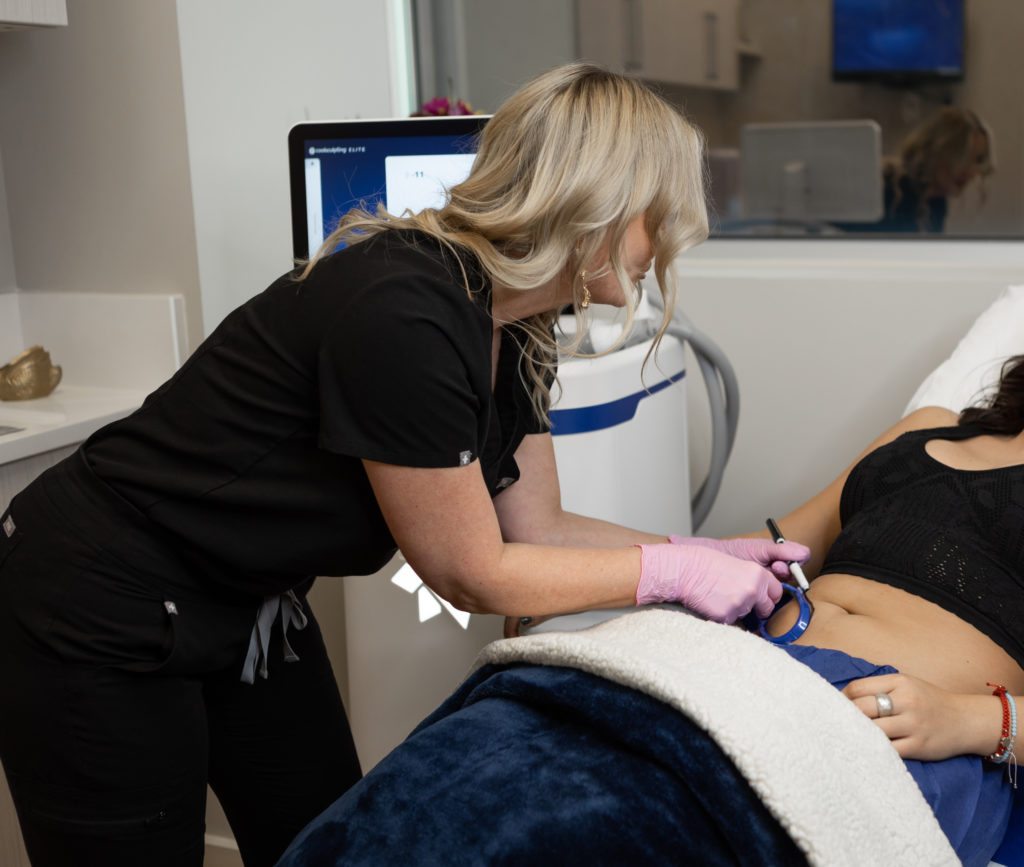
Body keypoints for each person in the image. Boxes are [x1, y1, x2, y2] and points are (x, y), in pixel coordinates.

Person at [0, 63, 807, 867]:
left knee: (331, 842)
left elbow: (541, 527)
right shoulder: (404, 309)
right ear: (593, 204)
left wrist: (699, 551)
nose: (662, 249)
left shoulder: (516, 323)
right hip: (98, 595)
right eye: (655, 220)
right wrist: (667, 577)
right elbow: (472, 572)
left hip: (246, 598)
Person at [280, 355, 1024, 867]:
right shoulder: (927, 424)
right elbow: (766, 548)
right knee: (454, 775)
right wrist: (584, 580)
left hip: (887, 719)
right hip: (715, 665)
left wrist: (972, 721)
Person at [842, 106, 993, 234]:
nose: (973, 171)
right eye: (963, 158)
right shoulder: (890, 191)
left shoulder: (936, 202)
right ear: (940, 151)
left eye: (978, 160)